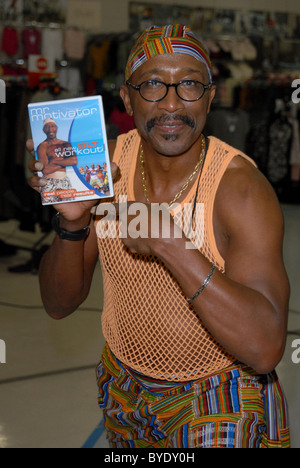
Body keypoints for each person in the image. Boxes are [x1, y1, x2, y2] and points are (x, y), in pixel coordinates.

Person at [27, 25, 290, 449]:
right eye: (152, 85)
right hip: (123, 387)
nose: (171, 104)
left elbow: (264, 348)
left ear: (210, 95)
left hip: (216, 396)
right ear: (127, 98)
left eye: (188, 84)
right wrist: (73, 226)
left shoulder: (240, 189)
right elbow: (59, 305)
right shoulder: (104, 168)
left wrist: (173, 246)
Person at [36, 118, 78, 204]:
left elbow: (74, 161)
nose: (51, 129)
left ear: (57, 128)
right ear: (43, 130)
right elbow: (45, 170)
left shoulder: (65, 143)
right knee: (51, 209)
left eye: (53, 126)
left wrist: (54, 161)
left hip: (65, 181)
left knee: (69, 206)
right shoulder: (42, 146)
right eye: (47, 127)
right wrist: (65, 162)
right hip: (49, 182)